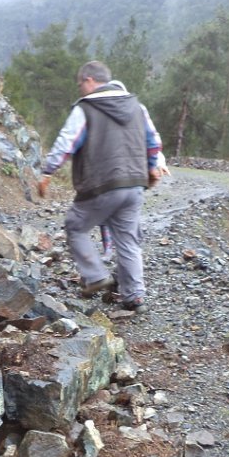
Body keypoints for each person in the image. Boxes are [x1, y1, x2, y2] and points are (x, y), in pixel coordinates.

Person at [37, 63, 164, 314]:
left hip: (101, 184)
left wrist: (48, 171)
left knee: (75, 226)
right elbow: (153, 141)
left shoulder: (86, 108)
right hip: (134, 184)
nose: (80, 89)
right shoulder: (137, 106)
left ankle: (95, 276)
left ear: (89, 80)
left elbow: (67, 142)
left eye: (80, 84)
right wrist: (152, 167)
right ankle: (134, 296)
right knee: (127, 240)